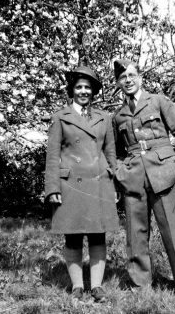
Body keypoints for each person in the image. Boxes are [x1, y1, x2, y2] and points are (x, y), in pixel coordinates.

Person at [112, 59, 175, 300]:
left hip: (163, 175)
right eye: (122, 78)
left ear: (140, 77)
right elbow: (116, 152)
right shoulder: (117, 116)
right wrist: (121, 173)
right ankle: (141, 288)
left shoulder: (158, 101)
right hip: (133, 179)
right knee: (135, 236)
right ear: (118, 83)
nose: (127, 80)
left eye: (131, 75)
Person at [45, 65, 119, 302]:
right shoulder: (60, 117)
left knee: (98, 236)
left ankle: (96, 286)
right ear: (72, 90)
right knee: (73, 237)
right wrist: (52, 188)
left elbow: (111, 154)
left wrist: (115, 184)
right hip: (71, 186)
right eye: (79, 87)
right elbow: (52, 156)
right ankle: (77, 286)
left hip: (99, 184)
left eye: (88, 87)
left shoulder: (104, 118)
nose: (83, 91)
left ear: (93, 91)